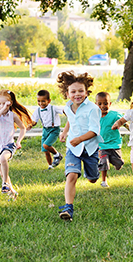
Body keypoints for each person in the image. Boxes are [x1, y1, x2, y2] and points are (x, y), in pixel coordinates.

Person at [57, 71, 103, 221]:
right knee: (71, 176)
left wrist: (79, 139)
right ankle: (68, 208)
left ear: (86, 92)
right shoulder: (68, 106)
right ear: (67, 93)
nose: (77, 94)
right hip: (73, 148)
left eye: (81, 91)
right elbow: (71, 119)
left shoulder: (93, 109)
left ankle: (93, 171)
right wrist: (65, 132)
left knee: (93, 179)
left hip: (89, 148)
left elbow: (95, 131)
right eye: (73, 91)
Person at [0, 90, 32, 198]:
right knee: (2, 172)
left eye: (4, 104)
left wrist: (18, 141)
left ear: (10, 103)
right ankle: (13, 192)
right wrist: (2, 109)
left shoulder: (12, 116)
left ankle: (4, 183)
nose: (1, 106)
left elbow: (23, 128)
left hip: (8, 145)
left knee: (3, 159)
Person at [27, 90, 63, 170]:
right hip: (45, 130)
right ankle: (50, 166)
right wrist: (30, 125)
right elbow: (34, 121)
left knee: (46, 145)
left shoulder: (53, 108)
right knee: (45, 150)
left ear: (49, 101)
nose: (41, 103)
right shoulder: (38, 110)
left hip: (54, 130)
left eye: (43, 101)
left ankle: (57, 155)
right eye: (38, 101)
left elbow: (63, 111)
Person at [95, 92, 125, 188]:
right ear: (96, 104)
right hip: (102, 145)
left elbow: (124, 121)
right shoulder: (94, 117)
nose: (102, 106)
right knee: (103, 162)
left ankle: (115, 161)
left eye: (105, 103)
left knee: (118, 164)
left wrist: (130, 128)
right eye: (99, 104)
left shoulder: (114, 115)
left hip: (114, 144)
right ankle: (104, 181)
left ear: (110, 104)